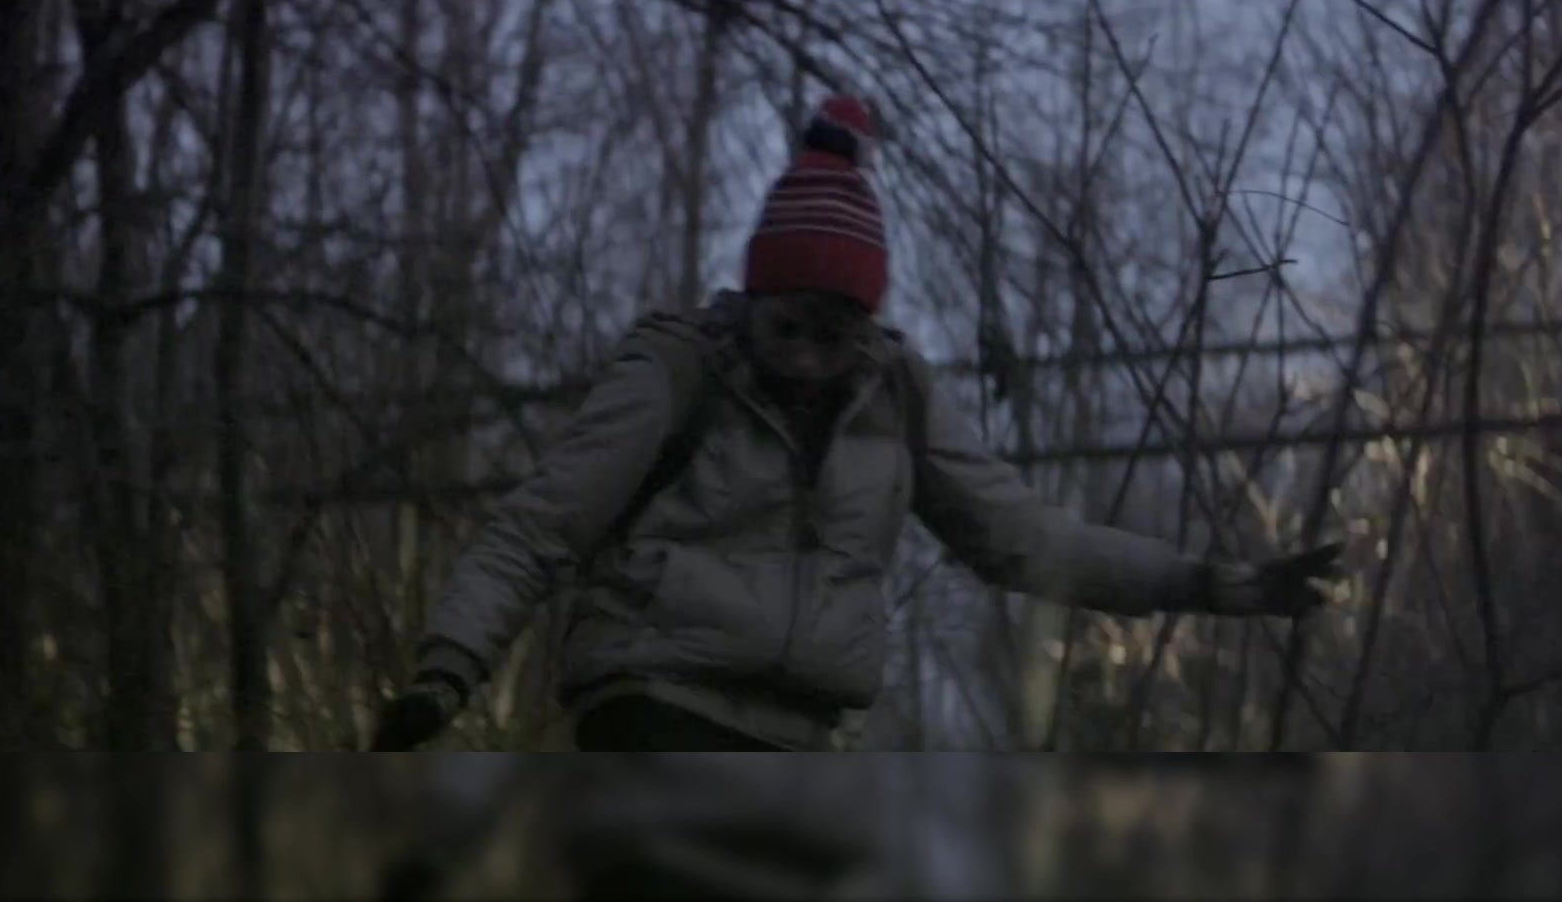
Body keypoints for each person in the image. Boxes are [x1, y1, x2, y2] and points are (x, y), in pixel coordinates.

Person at [373, 94, 1342, 756]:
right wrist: (449, 670)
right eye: (786, 328)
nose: (805, 357)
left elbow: (1022, 538)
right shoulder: (677, 371)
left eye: (832, 334)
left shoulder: (895, 394)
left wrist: (1210, 584)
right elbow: (541, 526)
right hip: (655, 703)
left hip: (803, 733)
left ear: (866, 326)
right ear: (755, 302)